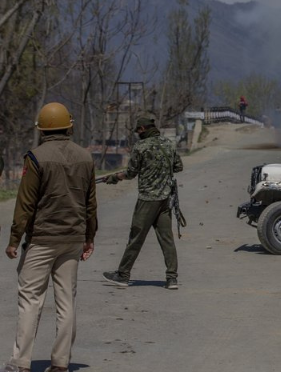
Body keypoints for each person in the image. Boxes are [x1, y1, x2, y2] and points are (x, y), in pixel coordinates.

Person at [4, 103, 97, 372]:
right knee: (67, 300)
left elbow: (25, 204)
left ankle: (20, 362)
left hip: (42, 240)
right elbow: (91, 203)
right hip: (72, 238)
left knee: (31, 299)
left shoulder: (35, 157)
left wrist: (14, 239)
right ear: (70, 126)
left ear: (42, 129)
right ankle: (60, 363)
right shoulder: (85, 157)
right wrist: (89, 236)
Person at [102, 116, 183, 289]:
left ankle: (123, 275)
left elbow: (131, 172)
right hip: (164, 200)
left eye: (138, 131)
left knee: (136, 238)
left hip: (147, 200)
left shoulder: (141, 146)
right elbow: (178, 167)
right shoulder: (169, 144)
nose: (138, 134)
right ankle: (172, 278)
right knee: (167, 239)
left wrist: (115, 177)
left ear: (143, 129)